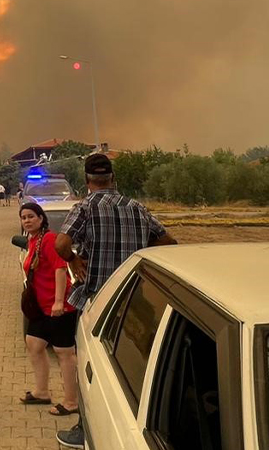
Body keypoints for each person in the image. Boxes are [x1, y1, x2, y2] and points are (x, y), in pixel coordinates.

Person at [54, 153, 175, 448]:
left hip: (98, 301)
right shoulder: (136, 207)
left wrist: (73, 260)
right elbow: (168, 241)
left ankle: (85, 428)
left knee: (91, 364)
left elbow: (60, 243)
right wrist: (142, 258)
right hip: (134, 298)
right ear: (113, 178)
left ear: (87, 181)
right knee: (135, 364)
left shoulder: (85, 207)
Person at [17, 202, 79, 417]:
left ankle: (72, 402)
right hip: (41, 307)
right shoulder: (32, 241)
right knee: (34, 344)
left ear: (41, 219)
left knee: (64, 353)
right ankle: (42, 392)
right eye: (23, 217)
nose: (27, 220)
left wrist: (59, 301)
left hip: (59, 307)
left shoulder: (50, 239)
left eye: (31, 216)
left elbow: (61, 269)